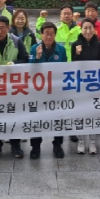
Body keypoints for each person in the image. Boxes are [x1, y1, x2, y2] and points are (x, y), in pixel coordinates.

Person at [0, 15, 29, 160]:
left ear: (8, 28)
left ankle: (15, 145)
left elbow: (25, 58)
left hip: (13, 87)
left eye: (2, 28)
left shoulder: (16, 41)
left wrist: (15, 64)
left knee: (13, 115)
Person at [29, 21, 68, 159]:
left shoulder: (61, 50)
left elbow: (65, 70)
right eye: (46, 34)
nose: (49, 37)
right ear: (41, 35)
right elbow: (29, 70)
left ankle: (57, 145)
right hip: (38, 92)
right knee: (36, 118)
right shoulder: (34, 48)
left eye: (52, 34)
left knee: (58, 118)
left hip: (56, 91)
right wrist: (37, 57)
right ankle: (35, 146)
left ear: (55, 35)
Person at [71, 18, 100, 154]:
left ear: (94, 30)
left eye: (90, 28)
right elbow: (73, 65)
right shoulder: (75, 45)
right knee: (80, 113)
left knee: (94, 113)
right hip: (80, 85)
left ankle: (92, 142)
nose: (87, 31)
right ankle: (81, 141)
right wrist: (77, 54)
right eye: (85, 28)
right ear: (81, 29)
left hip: (95, 85)